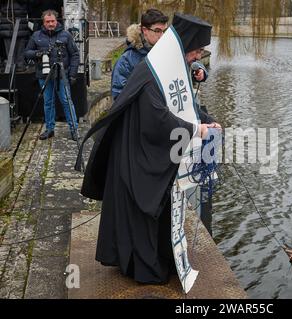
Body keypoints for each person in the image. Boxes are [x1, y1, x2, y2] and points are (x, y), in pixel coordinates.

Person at [75, 13, 221, 284]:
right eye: (197, 51)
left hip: (149, 147)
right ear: (186, 45)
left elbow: (183, 104)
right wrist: (196, 130)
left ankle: (161, 256)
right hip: (135, 152)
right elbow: (157, 117)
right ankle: (141, 267)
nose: (197, 57)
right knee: (140, 211)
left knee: (160, 208)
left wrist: (206, 121)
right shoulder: (151, 68)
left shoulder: (172, 64)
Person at [24, 10, 80, 141]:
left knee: (67, 102)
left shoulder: (66, 35)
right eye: (47, 22)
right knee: (48, 102)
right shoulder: (36, 35)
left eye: (53, 21)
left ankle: (74, 130)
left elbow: (75, 55)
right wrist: (38, 53)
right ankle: (49, 129)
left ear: (57, 21)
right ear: (43, 22)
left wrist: (73, 74)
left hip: (62, 74)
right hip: (44, 75)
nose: (50, 24)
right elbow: (27, 53)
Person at [111, 9, 168, 100]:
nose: (162, 36)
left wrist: (196, 72)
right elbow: (119, 96)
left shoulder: (166, 52)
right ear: (145, 30)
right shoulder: (126, 60)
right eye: (157, 31)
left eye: (164, 31)